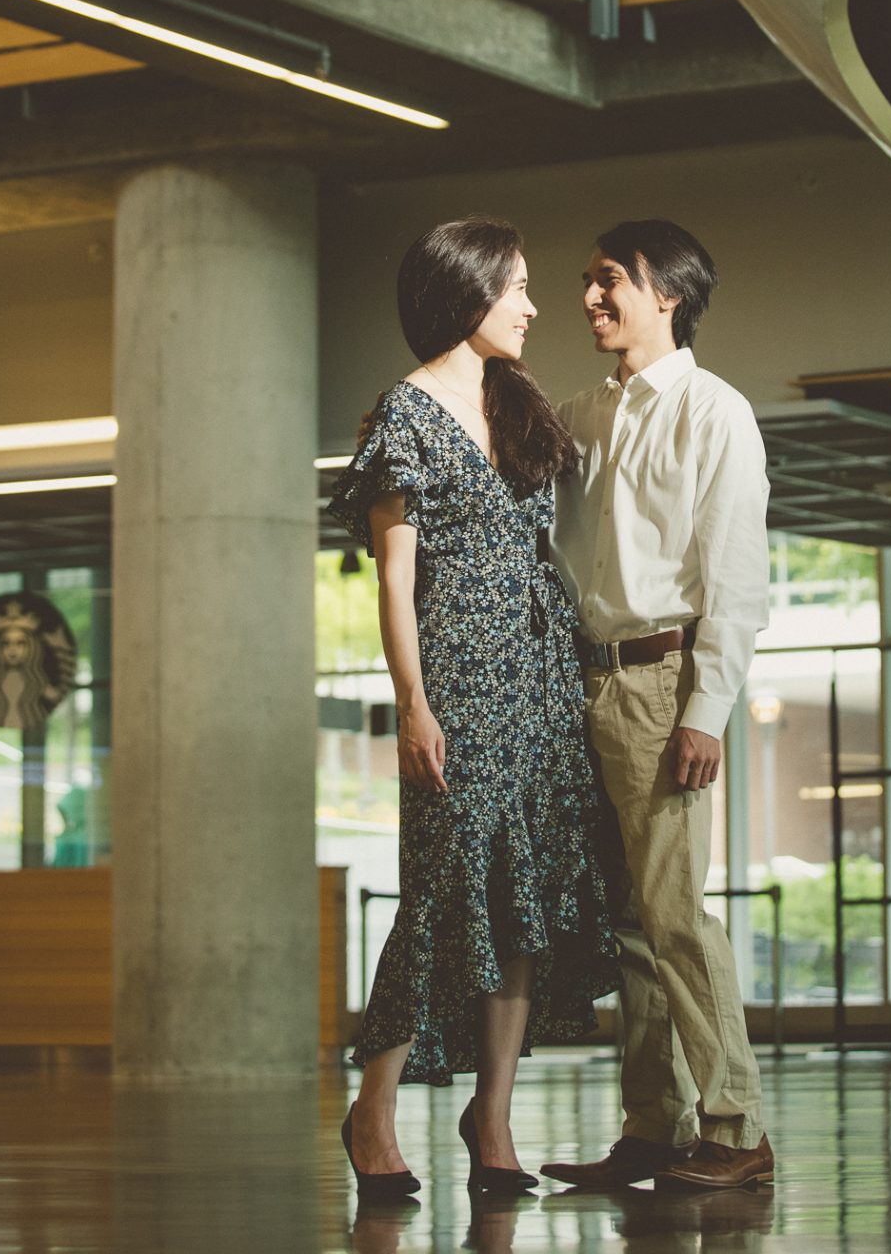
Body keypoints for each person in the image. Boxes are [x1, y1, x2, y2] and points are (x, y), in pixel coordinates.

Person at [327, 218, 618, 1199]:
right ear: (467, 292)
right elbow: (393, 581)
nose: (536, 307)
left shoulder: (524, 404)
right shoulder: (403, 415)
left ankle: (490, 1112)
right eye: (520, 288)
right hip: (457, 680)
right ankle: (373, 1103)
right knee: (442, 890)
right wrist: (414, 702)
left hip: (542, 682)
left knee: (524, 895)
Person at [542, 219, 774, 1193]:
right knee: (630, 920)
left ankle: (735, 1122)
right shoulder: (581, 413)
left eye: (608, 282)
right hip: (586, 679)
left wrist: (704, 710)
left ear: (666, 294)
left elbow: (736, 576)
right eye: (587, 282)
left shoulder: (716, 412)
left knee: (675, 914)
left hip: (663, 683)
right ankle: (652, 1123)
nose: (589, 298)